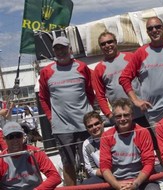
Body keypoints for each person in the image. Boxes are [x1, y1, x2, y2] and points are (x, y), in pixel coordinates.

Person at [39, 36, 95, 186]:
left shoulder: (82, 67)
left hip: (85, 125)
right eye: (57, 48)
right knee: (68, 164)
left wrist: (89, 114)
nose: (61, 51)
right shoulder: (46, 72)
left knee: (91, 161)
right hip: (62, 128)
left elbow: (90, 92)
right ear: (53, 51)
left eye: (63, 47)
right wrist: (51, 118)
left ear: (69, 49)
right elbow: (43, 98)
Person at [100, 98, 160, 190]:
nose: (122, 119)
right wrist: (116, 185)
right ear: (114, 117)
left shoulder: (143, 132)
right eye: (119, 116)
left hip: (142, 179)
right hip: (117, 180)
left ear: (132, 116)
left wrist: (136, 184)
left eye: (126, 115)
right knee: (87, 184)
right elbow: (104, 166)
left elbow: (149, 162)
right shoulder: (106, 136)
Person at [93, 31, 149, 127]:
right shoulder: (99, 68)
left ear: (115, 42)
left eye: (110, 42)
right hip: (121, 118)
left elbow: (146, 80)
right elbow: (100, 96)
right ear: (100, 47)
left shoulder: (130, 57)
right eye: (103, 44)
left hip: (141, 112)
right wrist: (109, 115)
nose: (107, 45)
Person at [0, 121, 61, 189]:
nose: (15, 140)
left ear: (23, 136)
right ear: (4, 139)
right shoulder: (1, 159)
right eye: (10, 137)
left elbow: (55, 177)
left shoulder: (35, 152)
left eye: (18, 136)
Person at [81, 111, 105, 185]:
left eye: (96, 123)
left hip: (121, 172)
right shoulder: (86, 144)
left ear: (102, 123)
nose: (94, 127)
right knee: (85, 185)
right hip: (103, 175)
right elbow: (91, 169)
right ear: (87, 129)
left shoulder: (113, 133)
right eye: (90, 126)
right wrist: (108, 174)